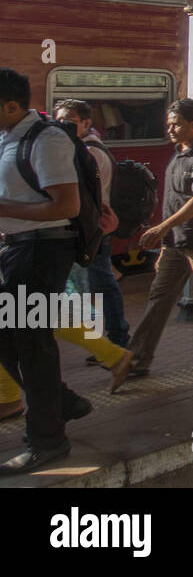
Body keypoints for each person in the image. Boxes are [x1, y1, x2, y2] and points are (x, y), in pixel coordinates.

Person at [0, 68, 94, 473]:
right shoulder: (10, 137)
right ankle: (61, 402)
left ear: (11, 105)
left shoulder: (47, 139)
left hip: (42, 251)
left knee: (32, 346)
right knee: (10, 341)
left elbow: (66, 206)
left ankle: (47, 440)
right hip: (18, 250)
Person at [124, 98, 193, 377]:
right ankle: (137, 359)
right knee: (159, 297)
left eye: (177, 125)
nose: (171, 129)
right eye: (169, 124)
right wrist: (166, 237)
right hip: (175, 242)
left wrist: (162, 227)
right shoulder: (179, 153)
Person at [52, 99, 131, 350]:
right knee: (96, 283)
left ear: (87, 123)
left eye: (69, 121)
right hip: (90, 226)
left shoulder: (91, 152)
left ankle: (116, 340)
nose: (62, 125)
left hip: (93, 228)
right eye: (59, 120)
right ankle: (104, 341)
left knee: (102, 283)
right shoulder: (80, 148)